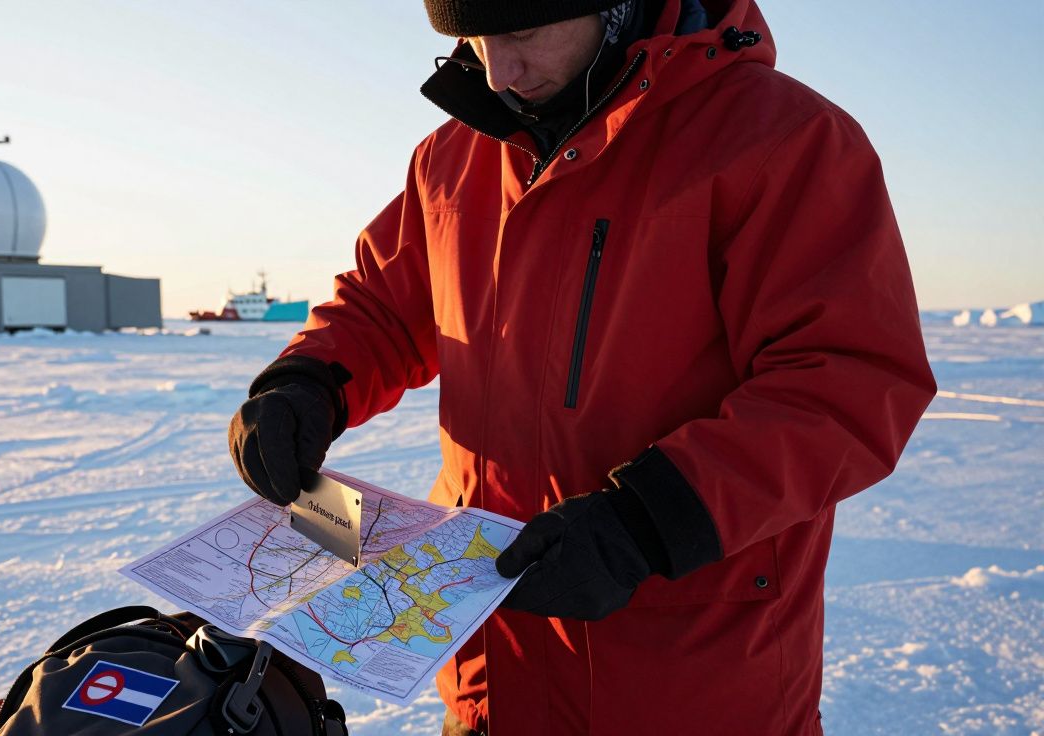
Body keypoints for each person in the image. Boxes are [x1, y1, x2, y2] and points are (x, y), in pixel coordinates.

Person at [228, 0, 936, 733]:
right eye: (475, 38)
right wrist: (304, 384)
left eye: (522, 32)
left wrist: (647, 521)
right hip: (490, 683)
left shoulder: (779, 139)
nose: (499, 73)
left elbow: (848, 380)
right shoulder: (452, 158)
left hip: (693, 683)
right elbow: (381, 306)